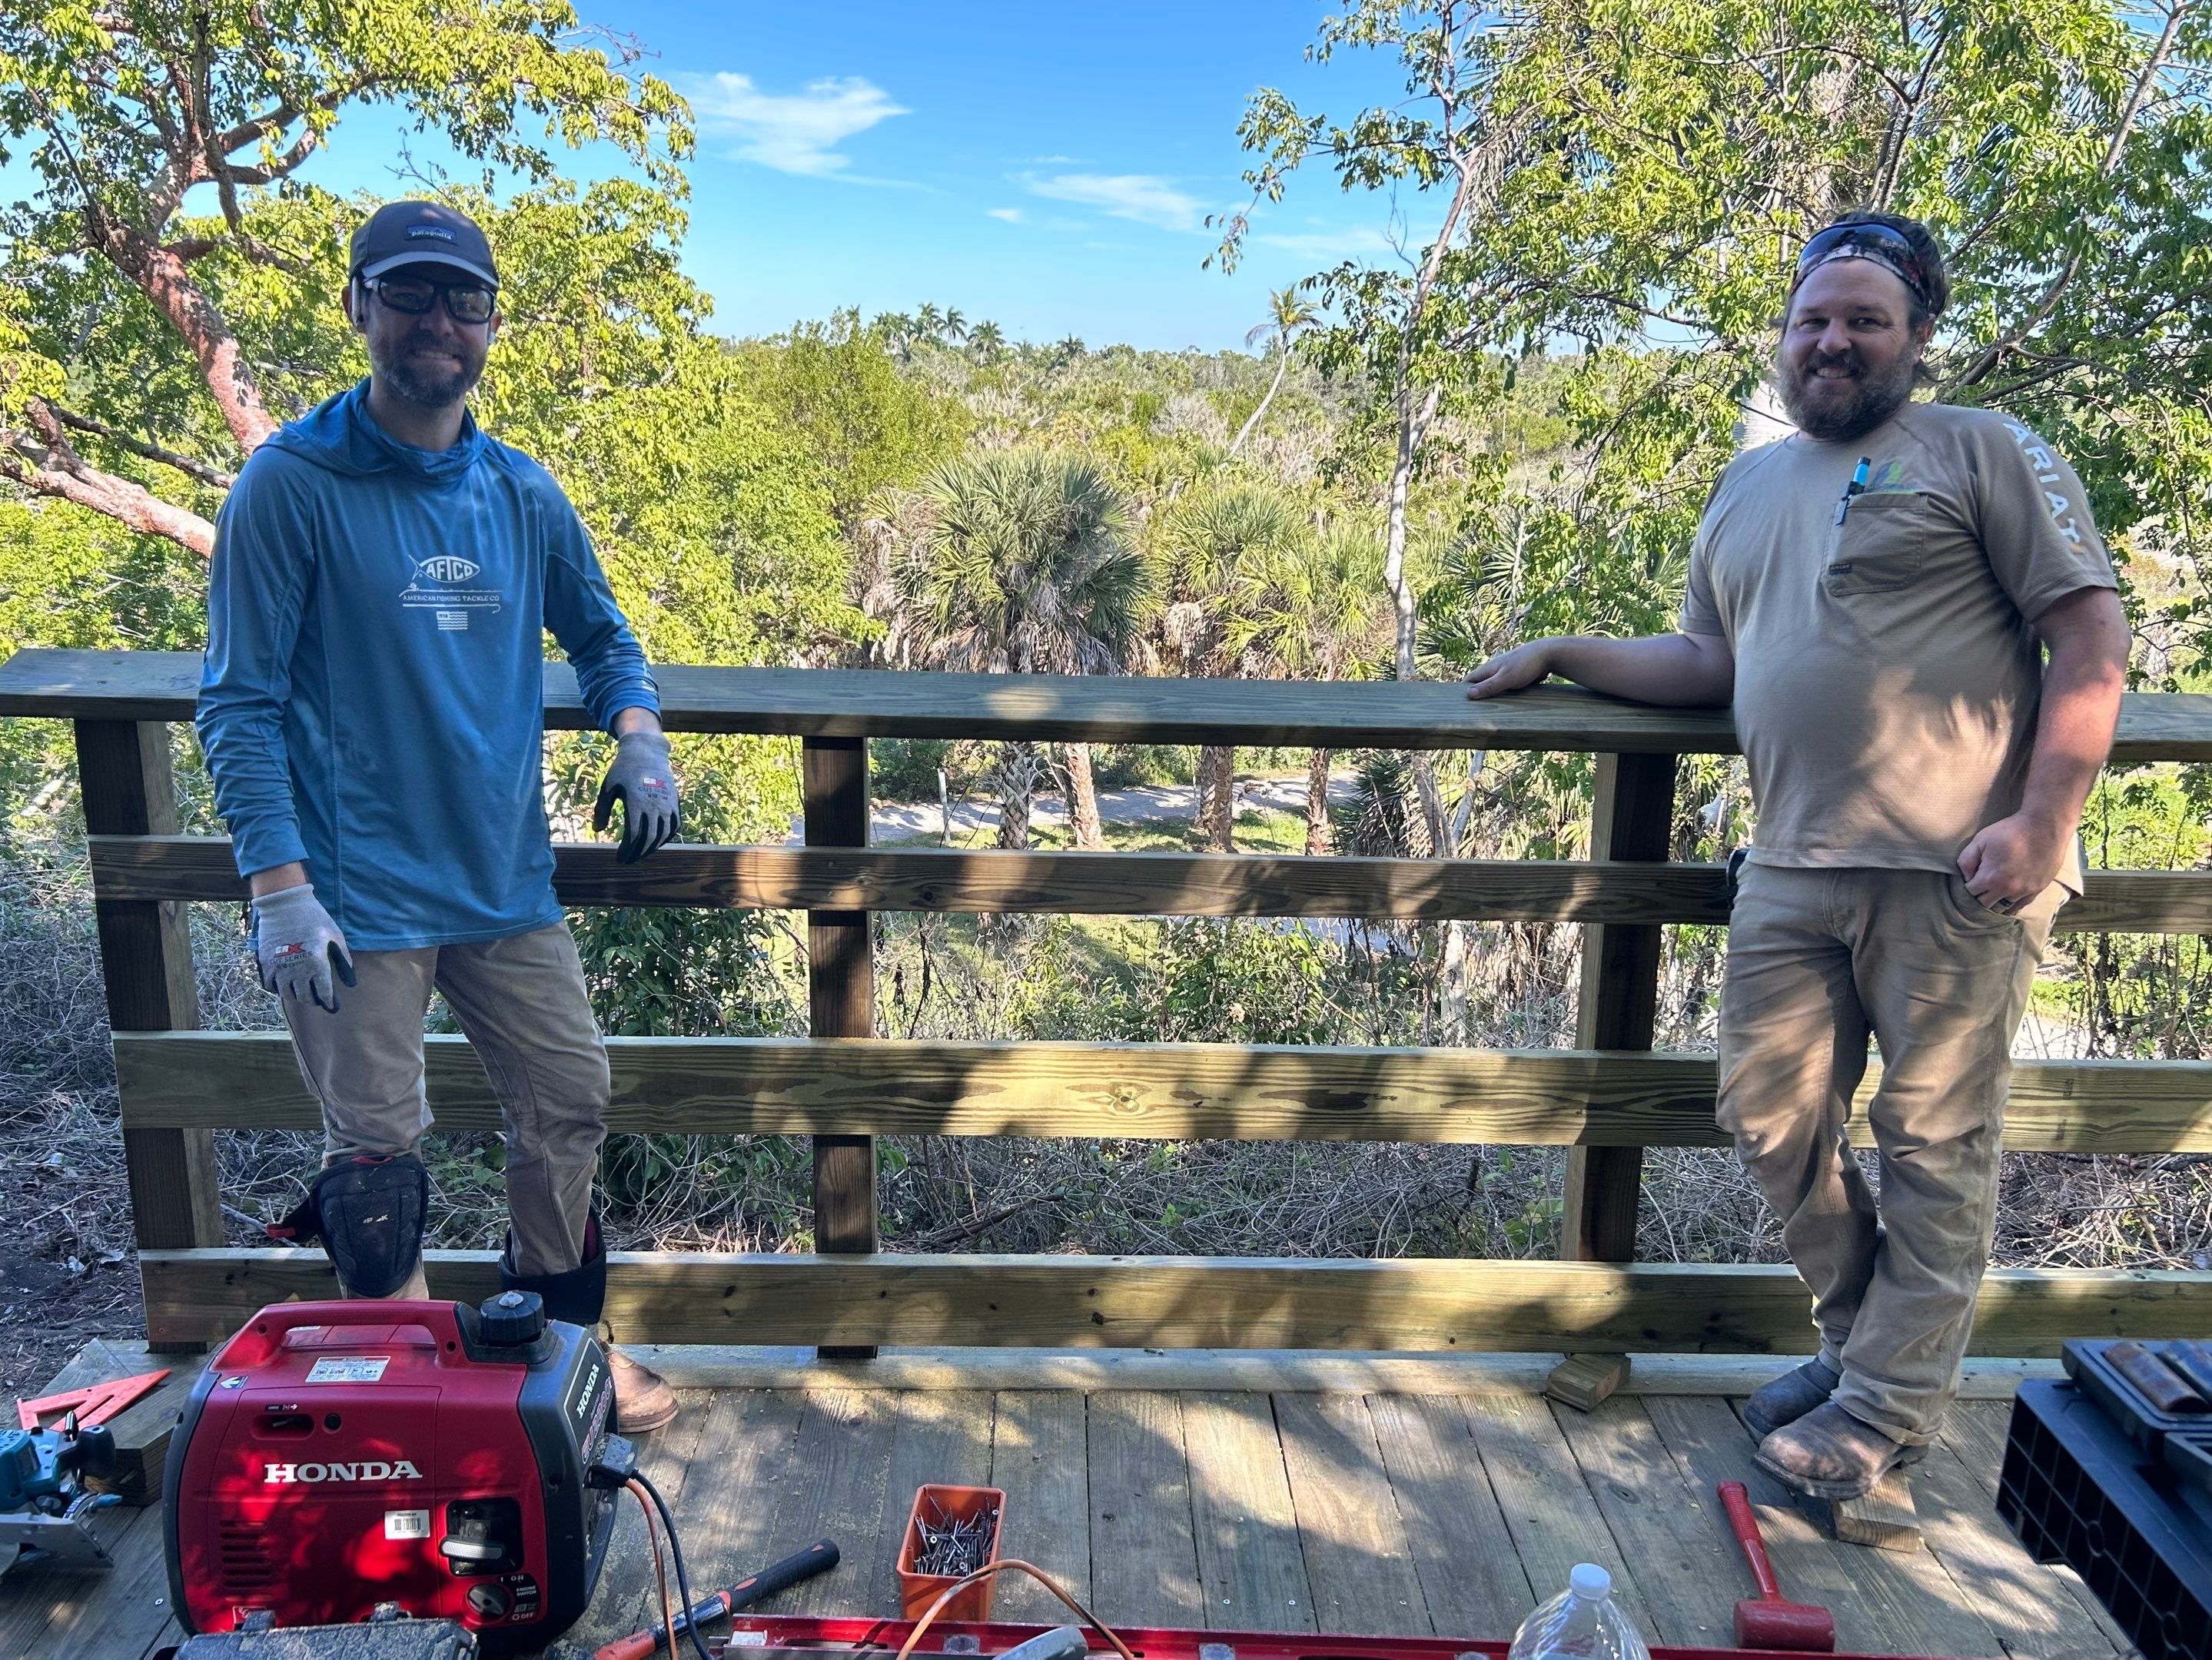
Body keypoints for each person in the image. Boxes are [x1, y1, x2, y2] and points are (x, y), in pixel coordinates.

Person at [1466, 211, 2130, 1499]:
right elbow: (1710, 662)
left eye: (1862, 321)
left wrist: (2043, 821)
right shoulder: (1750, 484)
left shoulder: (1979, 448)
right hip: (1787, 860)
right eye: (1810, 321)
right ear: (1784, 338)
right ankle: (1861, 1347)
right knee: (1767, 1118)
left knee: (1934, 1145)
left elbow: (2089, 639)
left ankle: (1881, 1405)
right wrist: (1560, 653)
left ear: (1916, 337)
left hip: (1956, 872)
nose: (1831, 342)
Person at [197, 200, 684, 1433]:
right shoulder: (291, 486)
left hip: (503, 880)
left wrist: (639, 740)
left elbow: (606, 638)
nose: (438, 322)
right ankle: (408, 1403)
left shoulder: (520, 493)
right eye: (410, 295)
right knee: (376, 1162)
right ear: (359, 306)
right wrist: (277, 886)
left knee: (568, 1098)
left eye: (463, 300)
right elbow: (239, 704)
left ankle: (563, 1357)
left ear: (490, 325)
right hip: (347, 896)